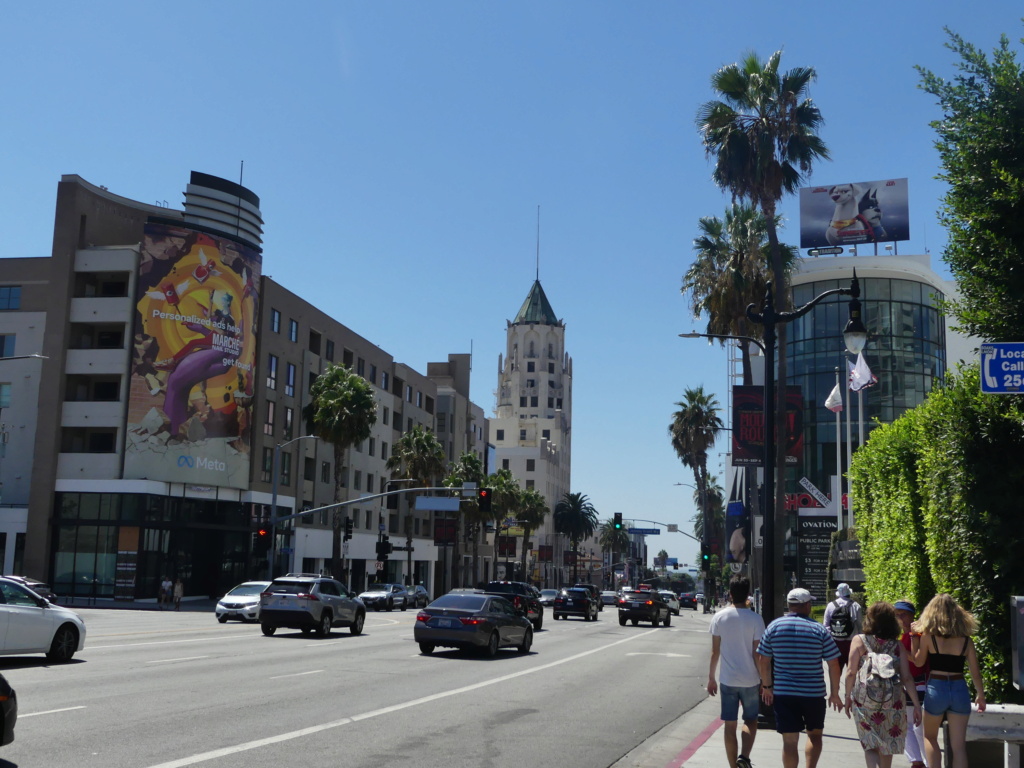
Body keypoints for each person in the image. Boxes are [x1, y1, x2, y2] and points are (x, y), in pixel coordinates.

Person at [757, 588, 843, 768]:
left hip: (784, 693)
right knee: (814, 735)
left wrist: (767, 686)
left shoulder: (774, 627)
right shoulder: (818, 630)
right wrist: (835, 693)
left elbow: (763, 660)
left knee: (789, 741)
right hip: (813, 694)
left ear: (789, 605)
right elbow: (833, 663)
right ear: (806, 605)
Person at [910, 594, 986, 768]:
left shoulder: (928, 637)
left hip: (936, 686)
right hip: (959, 687)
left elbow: (918, 662)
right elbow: (975, 672)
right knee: (958, 747)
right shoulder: (966, 641)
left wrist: (914, 637)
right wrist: (980, 695)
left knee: (929, 736)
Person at [844, 601, 922, 768]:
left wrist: (847, 696)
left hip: (863, 700)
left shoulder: (859, 640)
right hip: (893, 700)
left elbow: (851, 672)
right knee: (888, 744)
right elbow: (907, 678)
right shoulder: (897, 645)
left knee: (870, 743)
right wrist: (916, 705)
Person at [708, 575, 766, 768]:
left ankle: (733, 766)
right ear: (748, 594)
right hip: (750, 679)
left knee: (729, 724)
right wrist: (765, 682)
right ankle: (744, 757)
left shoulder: (719, 617)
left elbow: (715, 651)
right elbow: (758, 653)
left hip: (728, 679)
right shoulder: (756, 619)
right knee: (750, 720)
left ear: (730, 594)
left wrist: (711, 678)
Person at [894, 600, 928, 768]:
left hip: (918, 682)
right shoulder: (901, 635)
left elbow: (917, 660)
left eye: (904, 614)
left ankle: (928, 761)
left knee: (918, 725)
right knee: (905, 724)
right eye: (897, 614)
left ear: (913, 615)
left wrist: (899, 648)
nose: (900, 618)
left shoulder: (917, 635)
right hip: (905, 683)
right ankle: (916, 760)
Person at [823, 583, 862, 673]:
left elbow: (825, 625)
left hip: (836, 644)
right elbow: (859, 626)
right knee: (852, 671)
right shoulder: (856, 605)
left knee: (835, 672)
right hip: (852, 643)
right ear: (849, 593)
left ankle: (835, 687)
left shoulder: (830, 605)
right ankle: (851, 687)